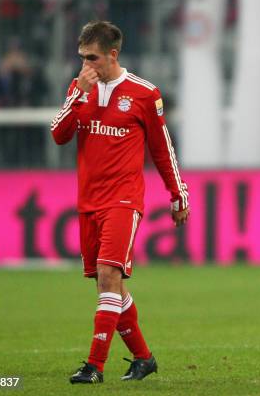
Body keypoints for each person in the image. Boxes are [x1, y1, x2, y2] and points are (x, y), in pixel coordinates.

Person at [51, 21, 189, 384]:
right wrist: (77, 94)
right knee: (108, 285)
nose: (86, 65)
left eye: (92, 57)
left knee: (110, 276)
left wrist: (178, 194)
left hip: (124, 200)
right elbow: (59, 135)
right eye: (81, 57)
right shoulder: (79, 88)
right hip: (88, 201)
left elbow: (162, 148)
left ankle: (94, 366)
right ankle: (144, 358)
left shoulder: (143, 94)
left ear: (112, 54)